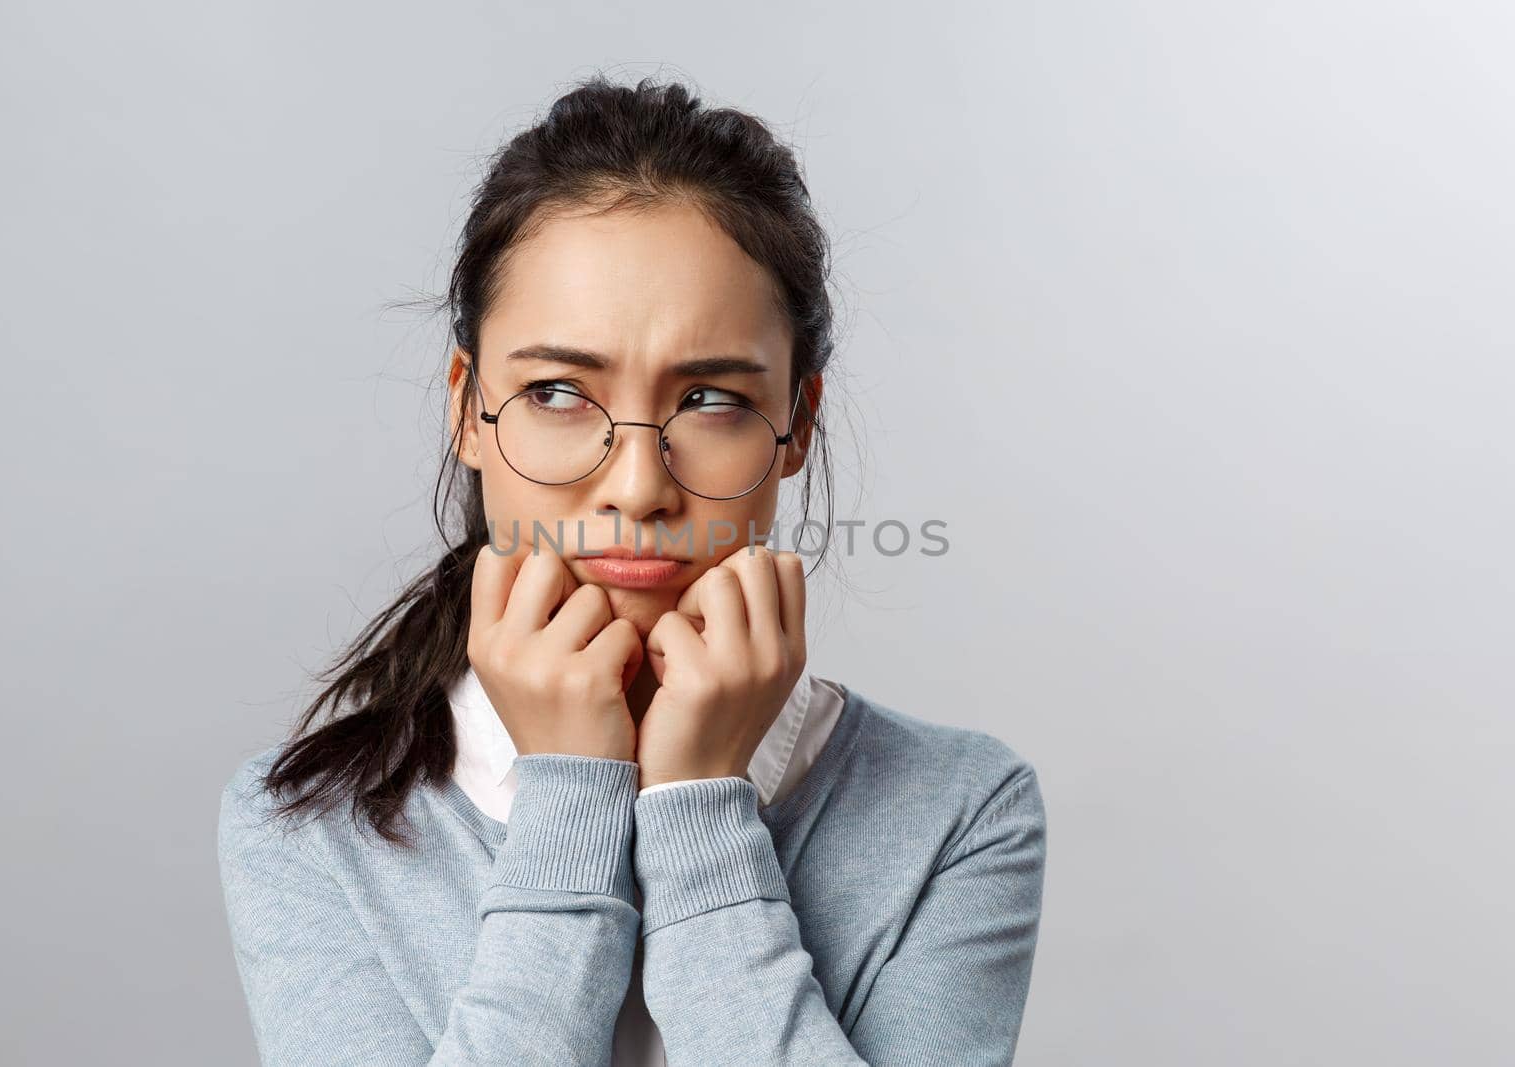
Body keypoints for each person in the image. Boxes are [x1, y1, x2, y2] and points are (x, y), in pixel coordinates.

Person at [217, 73, 1047, 1067]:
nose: (637, 485)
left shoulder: (958, 805)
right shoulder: (308, 822)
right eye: (559, 390)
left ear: (796, 424)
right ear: (468, 409)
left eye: (710, 400)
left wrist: (699, 813)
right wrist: (573, 793)